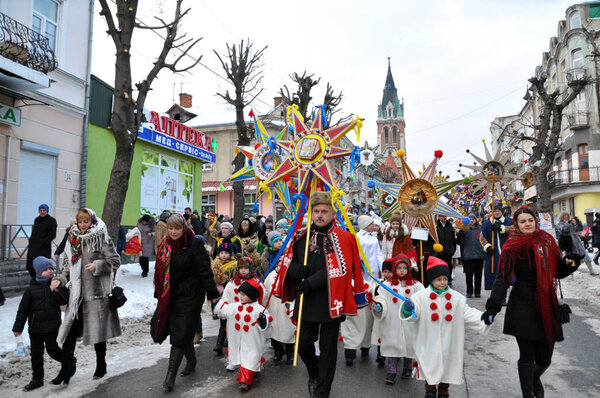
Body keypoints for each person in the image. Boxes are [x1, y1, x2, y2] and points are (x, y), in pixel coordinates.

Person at [482, 206, 582, 397]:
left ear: (535, 221)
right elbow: (502, 278)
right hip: (523, 304)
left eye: (530, 220)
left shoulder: (547, 241)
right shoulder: (512, 246)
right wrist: (493, 307)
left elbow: (558, 272)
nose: (527, 224)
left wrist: (571, 263)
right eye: (522, 221)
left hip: (547, 302)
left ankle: (534, 379)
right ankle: (528, 392)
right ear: (516, 225)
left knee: (545, 358)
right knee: (527, 356)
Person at [275, 191, 368, 398]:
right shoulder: (301, 237)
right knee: (304, 344)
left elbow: (344, 268)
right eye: (316, 211)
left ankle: (323, 390)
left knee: (328, 349)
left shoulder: (345, 238)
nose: (319, 215)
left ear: (332, 213)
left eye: (324, 211)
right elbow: (286, 262)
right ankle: (315, 372)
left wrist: (312, 281)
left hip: (331, 300)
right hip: (306, 300)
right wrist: (295, 270)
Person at [400, 257, 491, 398]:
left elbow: (466, 312)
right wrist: (408, 309)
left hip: (449, 342)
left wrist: (483, 318)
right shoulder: (420, 297)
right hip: (428, 341)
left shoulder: (456, 298)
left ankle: (444, 391)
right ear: (431, 280)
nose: (442, 282)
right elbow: (414, 313)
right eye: (439, 279)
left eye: (445, 279)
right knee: (429, 366)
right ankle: (430, 390)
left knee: (447, 368)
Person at [51, 208, 121, 380]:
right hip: (76, 296)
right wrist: (59, 279)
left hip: (96, 294)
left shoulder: (101, 237)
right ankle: (66, 369)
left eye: (86, 222)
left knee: (98, 335)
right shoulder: (72, 239)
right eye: (80, 222)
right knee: (69, 334)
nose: (82, 225)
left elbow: (115, 261)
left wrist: (98, 265)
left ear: (92, 222)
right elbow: (67, 266)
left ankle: (101, 365)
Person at [153, 214, 220, 392]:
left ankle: (169, 377)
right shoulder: (165, 246)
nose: (174, 232)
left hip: (191, 295)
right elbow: (160, 272)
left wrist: (212, 293)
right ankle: (191, 359)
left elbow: (205, 270)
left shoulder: (194, 244)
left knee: (181, 333)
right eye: (171, 228)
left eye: (177, 228)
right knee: (180, 331)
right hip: (171, 295)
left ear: (183, 228)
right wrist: (158, 292)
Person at [13, 256, 74, 391]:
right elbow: (22, 311)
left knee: (53, 351)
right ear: (39, 272)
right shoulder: (30, 290)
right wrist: (18, 327)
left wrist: (56, 289)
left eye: (51, 269)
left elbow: (65, 301)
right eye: (46, 270)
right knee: (36, 355)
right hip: (35, 329)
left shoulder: (57, 286)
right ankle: (37, 379)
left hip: (52, 327)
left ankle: (69, 362)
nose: (50, 271)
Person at [372, 254, 424, 384]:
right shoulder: (387, 285)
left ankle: (407, 368)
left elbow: (423, 299)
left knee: (408, 344)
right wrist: (379, 305)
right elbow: (381, 298)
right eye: (399, 267)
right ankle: (391, 371)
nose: (402, 270)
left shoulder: (415, 285)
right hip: (392, 322)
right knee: (392, 346)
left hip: (408, 323)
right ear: (395, 269)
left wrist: (415, 306)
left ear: (408, 269)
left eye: (404, 268)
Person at [341, 215, 383, 365]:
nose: (374, 226)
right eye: (371, 224)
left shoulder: (373, 238)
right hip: (358, 274)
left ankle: (365, 345)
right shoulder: (356, 237)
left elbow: (378, 254)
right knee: (356, 315)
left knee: (369, 313)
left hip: (372, 275)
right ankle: (351, 349)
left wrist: (381, 269)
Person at [215, 280, 270, 391]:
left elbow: (267, 325)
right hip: (238, 342)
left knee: (251, 358)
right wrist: (217, 302)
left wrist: (262, 320)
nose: (240, 297)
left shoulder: (259, 310)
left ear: (252, 295)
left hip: (252, 343)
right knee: (246, 360)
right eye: (240, 294)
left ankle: (244, 381)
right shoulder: (235, 307)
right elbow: (222, 311)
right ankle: (253, 372)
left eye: (244, 295)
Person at [218, 255, 260, 364]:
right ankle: (233, 361)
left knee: (250, 340)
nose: (244, 270)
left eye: (246, 268)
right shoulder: (232, 283)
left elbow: (262, 296)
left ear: (251, 268)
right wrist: (224, 310)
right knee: (234, 339)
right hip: (235, 317)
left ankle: (252, 362)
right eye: (241, 268)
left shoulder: (256, 281)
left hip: (250, 317)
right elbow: (226, 297)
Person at [263, 260, 295, 365]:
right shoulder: (271, 276)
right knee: (274, 331)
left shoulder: (291, 277)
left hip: (286, 309)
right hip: (273, 308)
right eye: (279, 265)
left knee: (288, 332)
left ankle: (290, 353)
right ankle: (278, 352)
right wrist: (264, 306)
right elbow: (266, 292)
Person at [210, 242, 238, 353]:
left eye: (226, 253)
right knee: (223, 320)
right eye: (221, 252)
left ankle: (228, 342)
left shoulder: (234, 264)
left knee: (230, 321)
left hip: (231, 296)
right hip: (219, 296)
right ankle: (219, 344)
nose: (224, 255)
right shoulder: (215, 264)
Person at [480, 203, 514, 290]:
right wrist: (487, 247)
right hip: (492, 254)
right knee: (493, 275)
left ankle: (503, 295)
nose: (496, 213)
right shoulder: (487, 223)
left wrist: (501, 228)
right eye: (494, 211)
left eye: (498, 211)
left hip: (506, 252)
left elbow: (514, 230)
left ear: (501, 212)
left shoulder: (508, 221)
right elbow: (482, 237)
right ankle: (495, 295)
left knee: (505, 274)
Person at [456, 214, 485, 298]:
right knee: (468, 274)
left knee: (478, 275)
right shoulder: (464, 229)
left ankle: (477, 292)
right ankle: (469, 291)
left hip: (479, 255)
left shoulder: (481, 229)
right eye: (470, 219)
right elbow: (459, 242)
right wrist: (460, 234)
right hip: (468, 255)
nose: (471, 220)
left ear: (475, 220)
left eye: (473, 219)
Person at [26, 204, 57, 280]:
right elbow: (34, 232)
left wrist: (43, 242)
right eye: (40, 210)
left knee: (42, 268)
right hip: (33, 248)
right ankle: (35, 280)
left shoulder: (51, 220)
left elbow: (52, 235)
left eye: (44, 210)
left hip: (43, 249)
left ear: (47, 211)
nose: (42, 212)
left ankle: (41, 282)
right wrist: (31, 240)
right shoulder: (37, 219)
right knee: (29, 266)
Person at [436, 215, 456, 283]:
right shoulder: (436, 226)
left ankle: (448, 279)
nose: (444, 217)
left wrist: (453, 249)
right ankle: (440, 279)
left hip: (448, 250)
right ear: (439, 217)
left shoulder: (449, 225)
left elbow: (453, 238)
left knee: (448, 265)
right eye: (442, 216)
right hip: (439, 250)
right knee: (440, 266)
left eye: (445, 216)